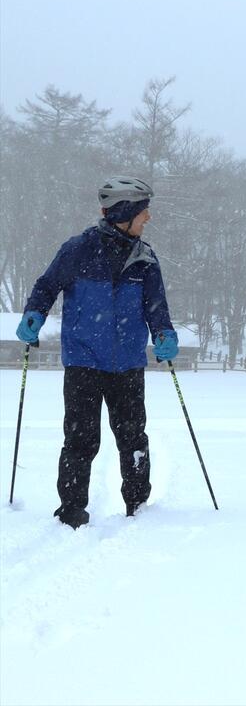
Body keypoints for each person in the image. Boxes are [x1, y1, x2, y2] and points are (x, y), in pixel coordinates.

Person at [15, 176, 178, 528]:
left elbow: (156, 307)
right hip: (84, 361)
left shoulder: (145, 258)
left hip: (128, 363)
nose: (148, 218)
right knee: (80, 438)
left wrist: (163, 332)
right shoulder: (78, 250)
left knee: (133, 437)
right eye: (143, 212)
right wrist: (34, 314)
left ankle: (138, 506)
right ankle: (72, 510)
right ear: (125, 212)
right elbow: (47, 286)